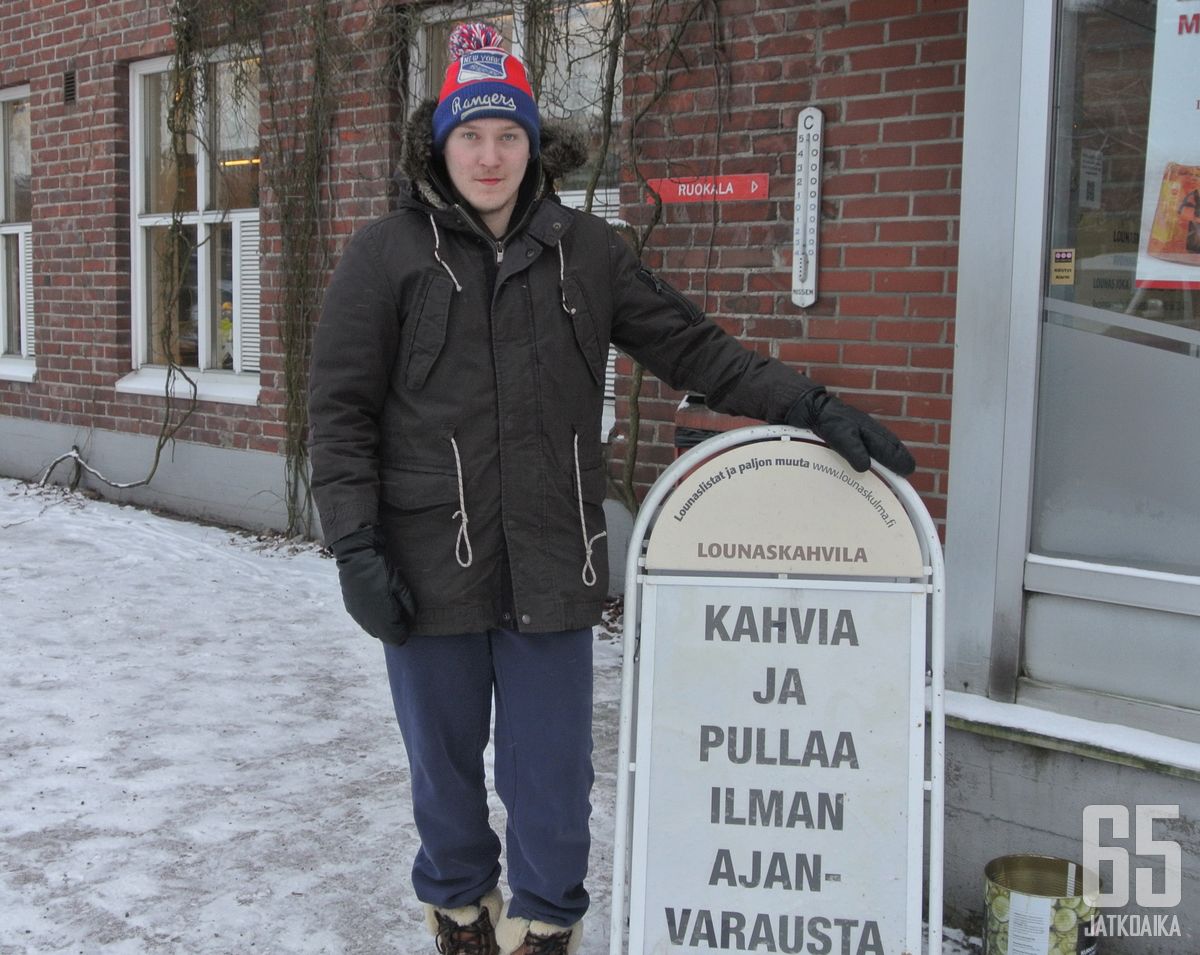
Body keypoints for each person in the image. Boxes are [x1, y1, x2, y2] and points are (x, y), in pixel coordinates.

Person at [308, 22, 915, 955]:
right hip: (429, 558)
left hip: (555, 552)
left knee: (552, 766)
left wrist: (810, 403)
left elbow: (693, 348)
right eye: (470, 134)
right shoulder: (385, 256)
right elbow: (340, 413)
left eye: (508, 134)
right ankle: (460, 910)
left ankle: (547, 922)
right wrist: (355, 545)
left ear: (534, 144)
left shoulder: (585, 252)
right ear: (440, 144)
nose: (489, 154)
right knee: (443, 761)